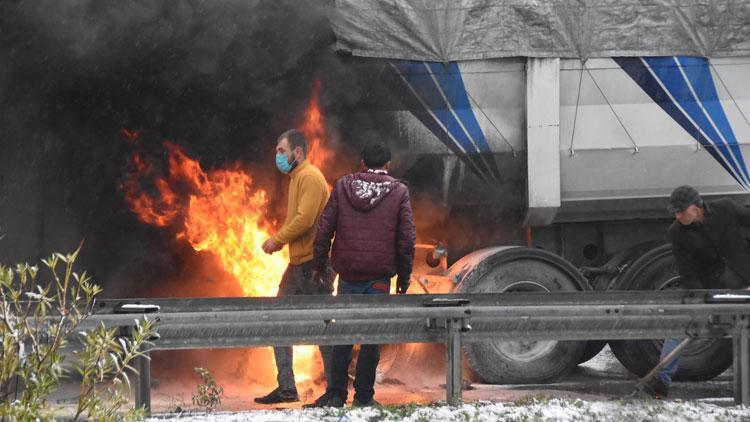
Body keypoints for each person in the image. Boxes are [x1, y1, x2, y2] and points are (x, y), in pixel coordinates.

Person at [307, 143, 416, 408]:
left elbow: (324, 229)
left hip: (348, 275)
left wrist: (319, 265)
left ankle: (335, 394)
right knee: (370, 339)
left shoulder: (343, 186)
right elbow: (406, 239)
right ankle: (364, 397)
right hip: (379, 278)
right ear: (388, 165)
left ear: (362, 162)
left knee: (342, 335)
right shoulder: (398, 191)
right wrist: (404, 277)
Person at [646, 185, 750, 398]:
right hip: (714, 289)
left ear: (696, 207)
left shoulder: (726, 208)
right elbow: (688, 272)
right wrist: (701, 301)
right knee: (682, 325)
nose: (677, 215)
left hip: (745, 279)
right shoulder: (676, 233)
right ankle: (661, 382)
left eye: (681, 210)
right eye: (674, 211)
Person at [255, 129, 334, 405]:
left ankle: (335, 390)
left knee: (324, 328)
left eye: (281, 151)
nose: (277, 156)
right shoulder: (296, 178)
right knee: (278, 322)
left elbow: (305, 219)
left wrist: (277, 240)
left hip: (315, 266)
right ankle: (287, 387)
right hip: (297, 265)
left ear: (297, 152)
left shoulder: (310, 178)